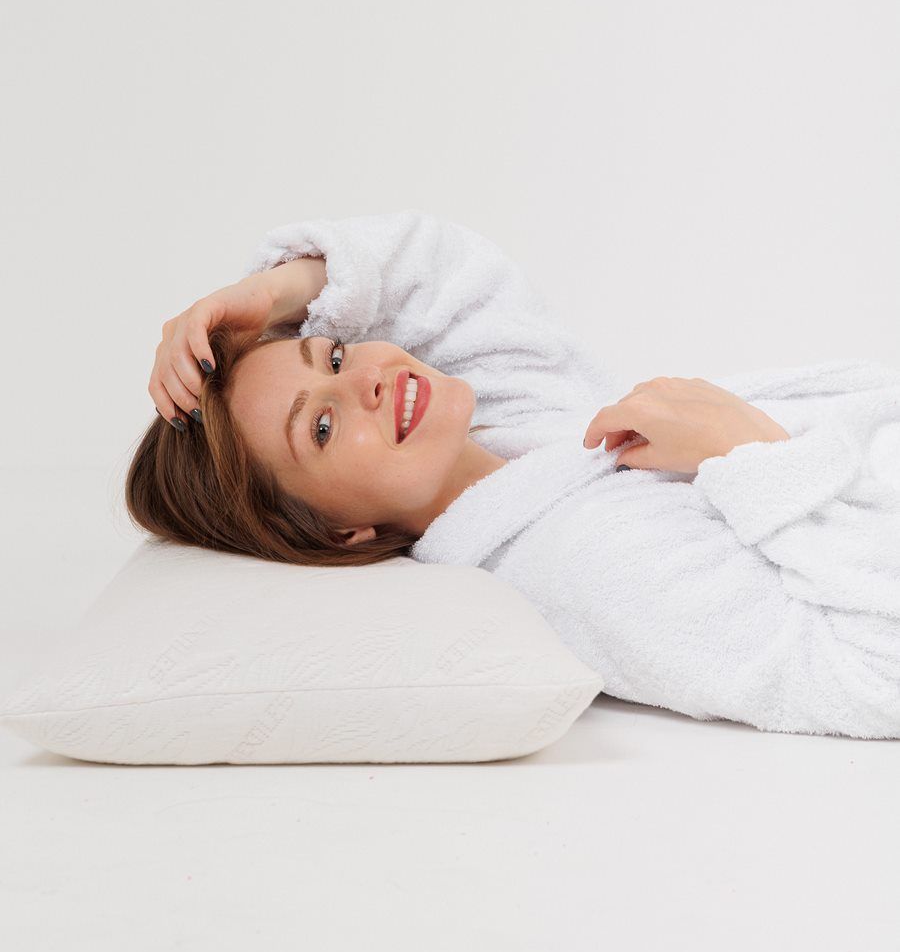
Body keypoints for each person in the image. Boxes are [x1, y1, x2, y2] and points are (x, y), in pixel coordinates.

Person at [127, 210, 900, 738]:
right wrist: (754, 454)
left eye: (330, 355)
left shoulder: (514, 434)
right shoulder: (589, 563)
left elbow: (445, 273)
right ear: (339, 533)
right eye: (322, 428)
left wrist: (271, 295)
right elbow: (877, 672)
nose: (364, 378)